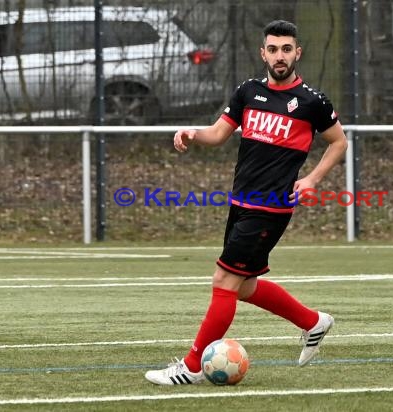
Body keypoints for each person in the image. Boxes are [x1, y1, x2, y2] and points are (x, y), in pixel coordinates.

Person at [145, 20, 347, 385]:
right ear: (263, 53)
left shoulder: (312, 102)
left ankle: (191, 368)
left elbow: (339, 142)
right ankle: (313, 322)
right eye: (273, 49)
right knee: (245, 285)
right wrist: (193, 133)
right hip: (241, 202)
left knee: (224, 279)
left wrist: (313, 179)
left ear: (297, 53)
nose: (280, 56)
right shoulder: (248, 92)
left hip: (270, 207)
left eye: (287, 49)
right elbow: (219, 133)